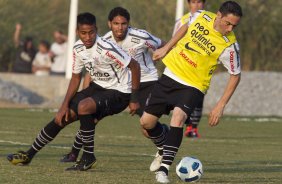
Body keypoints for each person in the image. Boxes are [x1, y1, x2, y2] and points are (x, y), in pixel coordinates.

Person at [7, 12, 140, 171]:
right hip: (98, 88)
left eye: (91, 32)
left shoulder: (107, 47)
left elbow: (135, 66)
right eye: (83, 33)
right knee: (61, 118)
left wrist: (134, 98)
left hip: (120, 92)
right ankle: (28, 155)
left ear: (96, 29)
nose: (88, 36)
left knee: (84, 106)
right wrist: (64, 106)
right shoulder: (77, 48)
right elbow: (76, 78)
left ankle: (88, 157)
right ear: (78, 32)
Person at [140, 1, 243, 183]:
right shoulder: (200, 16)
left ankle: (163, 170)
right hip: (171, 74)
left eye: (234, 25)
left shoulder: (230, 46)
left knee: (178, 118)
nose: (230, 29)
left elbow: (235, 75)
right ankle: (164, 146)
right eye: (228, 23)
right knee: (146, 123)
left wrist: (220, 105)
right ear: (218, 15)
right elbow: (186, 27)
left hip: (194, 85)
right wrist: (166, 47)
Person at [59, 7, 168, 165]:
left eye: (123, 23)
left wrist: (165, 57)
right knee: (90, 117)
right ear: (109, 24)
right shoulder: (105, 40)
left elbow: (164, 46)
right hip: (118, 86)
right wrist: (88, 88)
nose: (120, 27)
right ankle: (74, 153)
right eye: (116, 23)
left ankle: (164, 144)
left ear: (128, 24)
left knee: (146, 125)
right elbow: (95, 66)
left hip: (146, 82)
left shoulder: (141, 36)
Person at [173, 0, 206, 138]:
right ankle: (183, 122)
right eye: (193, 2)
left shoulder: (209, 20)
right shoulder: (182, 21)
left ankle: (193, 127)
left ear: (204, 4)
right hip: (183, 65)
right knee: (182, 96)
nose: (196, 5)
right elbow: (174, 41)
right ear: (188, 4)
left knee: (198, 97)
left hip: (200, 66)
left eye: (199, 2)